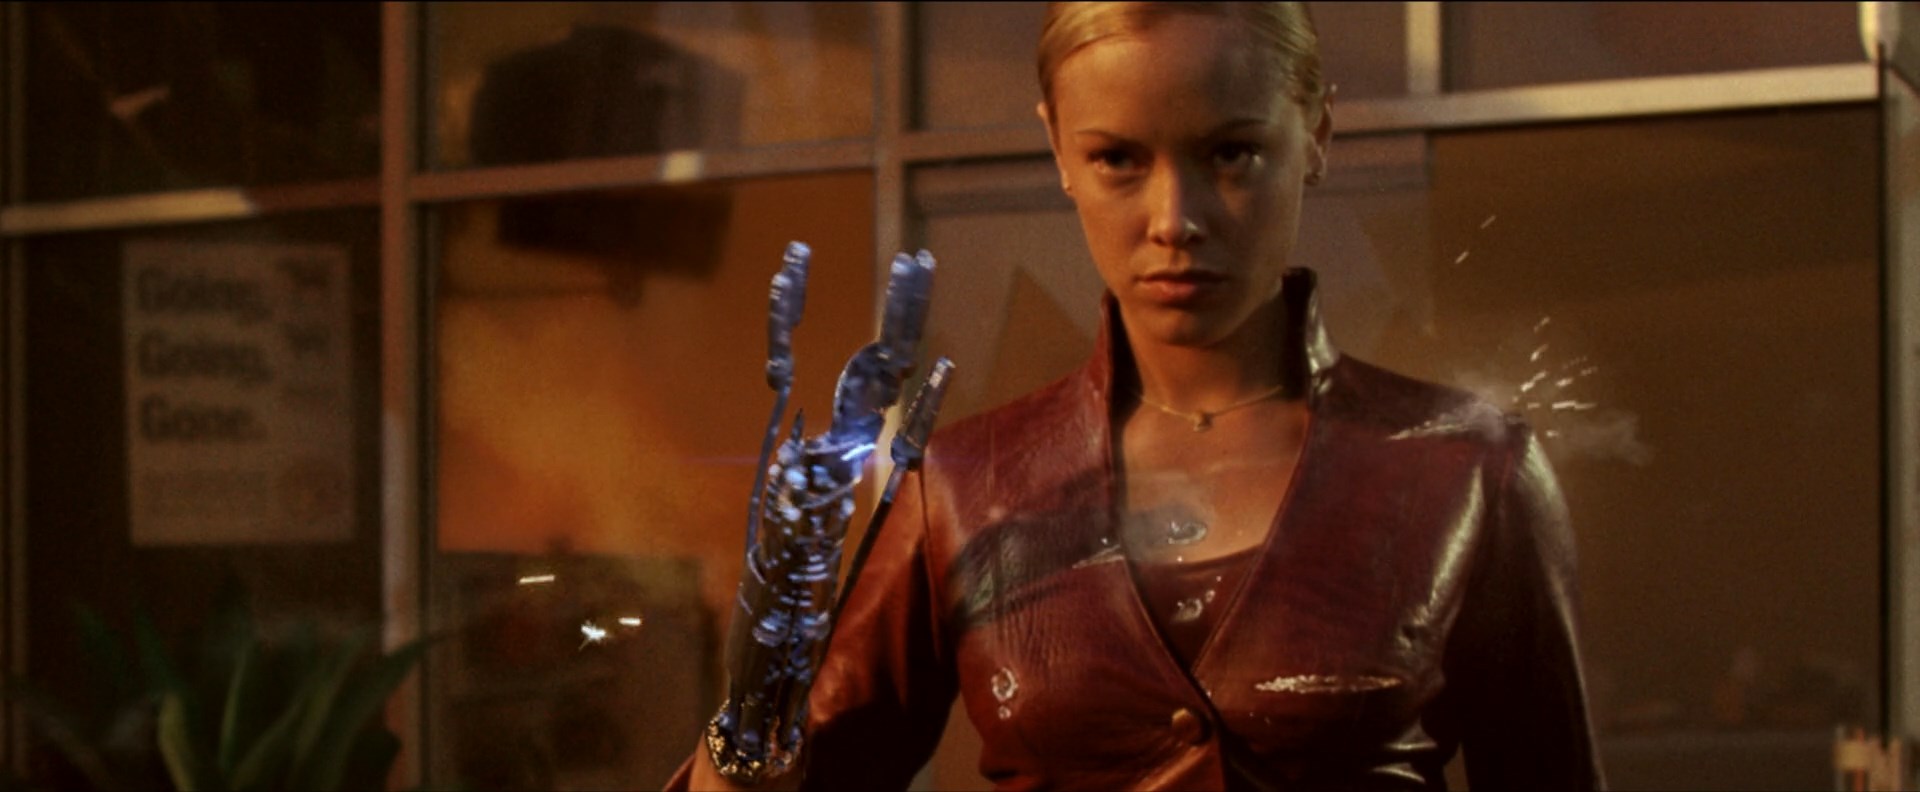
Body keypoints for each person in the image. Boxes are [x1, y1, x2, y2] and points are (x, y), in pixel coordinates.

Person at [679, 2, 1603, 789]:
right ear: (1058, 147)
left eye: (1233, 153)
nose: (1175, 220)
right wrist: (750, 722)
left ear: (1316, 134)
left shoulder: (1467, 473)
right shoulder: (964, 485)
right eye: (1119, 158)